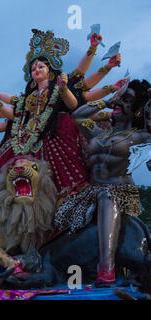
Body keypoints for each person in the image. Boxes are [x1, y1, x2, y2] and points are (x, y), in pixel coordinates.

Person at [0, 29, 124, 197]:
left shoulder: (60, 85)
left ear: (50, 70)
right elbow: (13, 110)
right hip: (28, 137)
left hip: (57, 133)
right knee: (9, 157)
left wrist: (94, 51)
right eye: (33, 68)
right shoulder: (29, 97)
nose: (37, 69)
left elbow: (74, 102)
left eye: (41, 66)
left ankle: (70, 193)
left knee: (67, 128)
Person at [55, 79, 151, 284]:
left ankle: (106, 267)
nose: (120, 103)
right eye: (120, 98)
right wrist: (107, 102)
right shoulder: (99, 133)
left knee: (108, 195)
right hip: (90, 191)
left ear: (136, 110)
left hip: (120, 191)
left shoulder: (141, 136)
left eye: (127, 100)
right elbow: (78, 115)